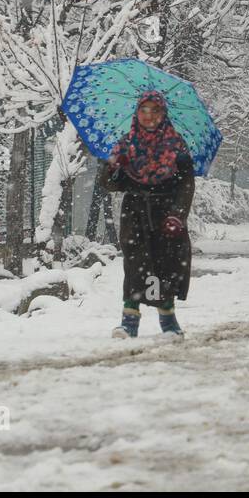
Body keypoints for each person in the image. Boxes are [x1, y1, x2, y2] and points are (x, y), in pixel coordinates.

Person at [101, 90, 195, 339]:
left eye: (155, 110)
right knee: (135, 266)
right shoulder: (126, 143)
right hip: (135, 213)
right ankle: (129, 321)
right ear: (137, 113)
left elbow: (186, 183)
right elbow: (111, 184)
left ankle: (168, 321)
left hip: (166, 215)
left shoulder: (176, 144)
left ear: (163, 114)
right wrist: (113, 166)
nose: (148, 116)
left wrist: (178, 214)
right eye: (143, 110)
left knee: (164, 266)